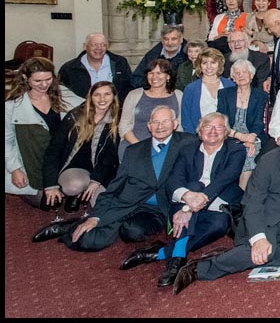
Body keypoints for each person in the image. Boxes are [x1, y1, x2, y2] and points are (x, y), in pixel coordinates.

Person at [170, 119, 280, 295]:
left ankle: (239, 254)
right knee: (267, 251)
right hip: (266, 218)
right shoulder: (268, 161)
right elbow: (252, 201)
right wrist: (258, 238)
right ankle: (199, 269)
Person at [123, 112, 245, 287]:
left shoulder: (236, 149)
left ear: (226, 131)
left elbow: (223, 180)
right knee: (194, 186)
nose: (212, 131)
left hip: (218, 201)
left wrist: (188, 208)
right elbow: (174, 180)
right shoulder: (187, 149)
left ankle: (161, 253)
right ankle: (178, 257)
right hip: (187, 199)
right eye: (207, 126)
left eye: (218, 127)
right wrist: (187, 198)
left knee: (220, 224)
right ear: (199, 131)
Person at [61, 106, 197, 254]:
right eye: (155, 122)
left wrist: (187, 206)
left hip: (159, 209)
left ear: (175, 124)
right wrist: (96, 216)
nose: (160, 126)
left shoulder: (188, 143)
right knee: (88, 240)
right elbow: (116, 187)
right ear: (149, 126)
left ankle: (92, 223)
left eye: (165, 121)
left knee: (132, 232)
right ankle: (71, 226)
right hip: (128, 202)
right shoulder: (134, 151)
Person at [40, 82, 120, 215]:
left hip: (102, 170)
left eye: (107, 94)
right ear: (90, 97)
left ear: (114, 97)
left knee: (105, 208)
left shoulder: (116, 120)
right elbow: (53, 150)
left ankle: (84, 193)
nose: (102, 99)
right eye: (97, 95)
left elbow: (109, 158)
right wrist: (50, 184)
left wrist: (96, 181)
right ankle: (76, 193)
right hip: (75, 167)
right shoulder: (75, 116)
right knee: (73, 186)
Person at [217, 59, 268, 189]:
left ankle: (242, 195)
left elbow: (258, 122)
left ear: (251, 75)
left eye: (244, 72)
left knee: (249, 153)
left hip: (253, 136)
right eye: (237, 73)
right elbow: (221, 120)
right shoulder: (224, 94)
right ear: (233, 78)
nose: (241, 76)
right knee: (241, 152)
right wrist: (239, 136)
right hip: (230, 135)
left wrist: (250, 138)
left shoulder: (260, 96)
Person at [119, 59, 183, 160]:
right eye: (151, 73)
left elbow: (180, 126)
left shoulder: (179, 96)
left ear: (168, 76)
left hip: (168, 150)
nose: (154, 77)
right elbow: (124, 125)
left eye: (159, 73)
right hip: (134, 147)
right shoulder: (134, 95)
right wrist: (140, 146)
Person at [58, 32, 132, 105]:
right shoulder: (69, 68)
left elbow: (129, 87)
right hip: (82, 112)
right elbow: (62, 93)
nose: (99, 48)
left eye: (103, 45)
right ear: (85, 47)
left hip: (114, 111)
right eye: (94, 45)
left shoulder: (120, 63)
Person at [181, 48, 234, 135]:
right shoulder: (191, 89)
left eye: (213, 62)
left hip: (226, 136)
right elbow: (186, 119)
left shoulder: (230, 85)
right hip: (198, 137)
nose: (209, 66)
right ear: (200, 66)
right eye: (205, 63)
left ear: (219, 65)